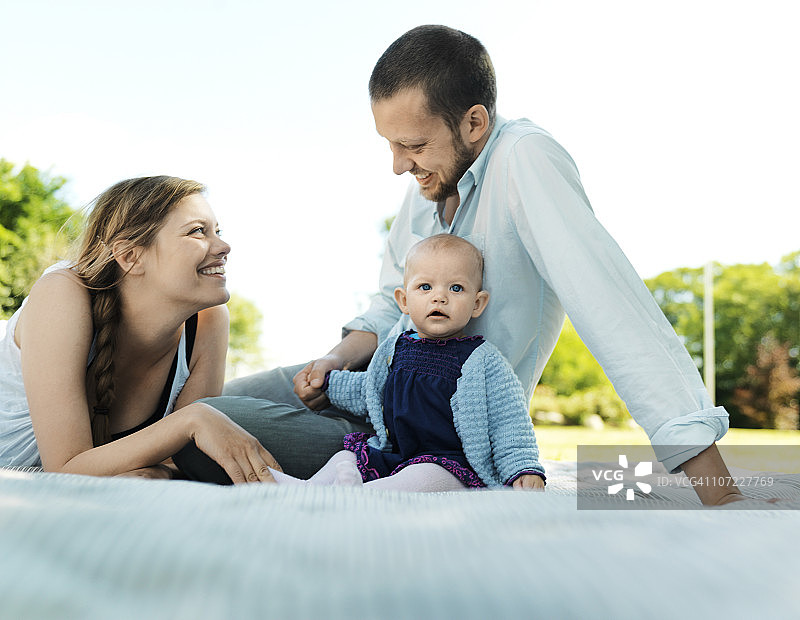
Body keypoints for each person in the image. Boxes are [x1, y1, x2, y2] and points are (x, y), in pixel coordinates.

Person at [179, 25, 743, 505]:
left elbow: (611, 307)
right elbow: (385, 306)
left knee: (196, 430)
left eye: (414, 145)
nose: (399, 165)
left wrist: (717, 487)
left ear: (474, 122)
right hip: (372, 386)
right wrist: (331, 362)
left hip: (428, 438)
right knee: (192, 408)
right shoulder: (430, 182)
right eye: (392, 145)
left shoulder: (525, 158)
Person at [0, 175, 280, 483]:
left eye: (218, 231)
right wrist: (195, 419)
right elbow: (65, 468)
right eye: (198, 231)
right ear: (131, 256)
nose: (224, 246)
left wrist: (172, 458)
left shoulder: (208, 321)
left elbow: (181, 459)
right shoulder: (63, 293)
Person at [268, 234, 545, 491]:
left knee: (423, 475)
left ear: (477, 304)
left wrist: (523, 467)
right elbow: (369, 391)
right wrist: (328, 384)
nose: (439, 296)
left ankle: (362, 495)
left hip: (448, 463)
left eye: (456, 288)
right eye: (425, 287)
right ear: (403, 300)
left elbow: (509, 420)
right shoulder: (395, 349)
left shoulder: (483, 360)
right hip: (394, 453)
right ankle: (306, 489)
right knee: (346, 456)